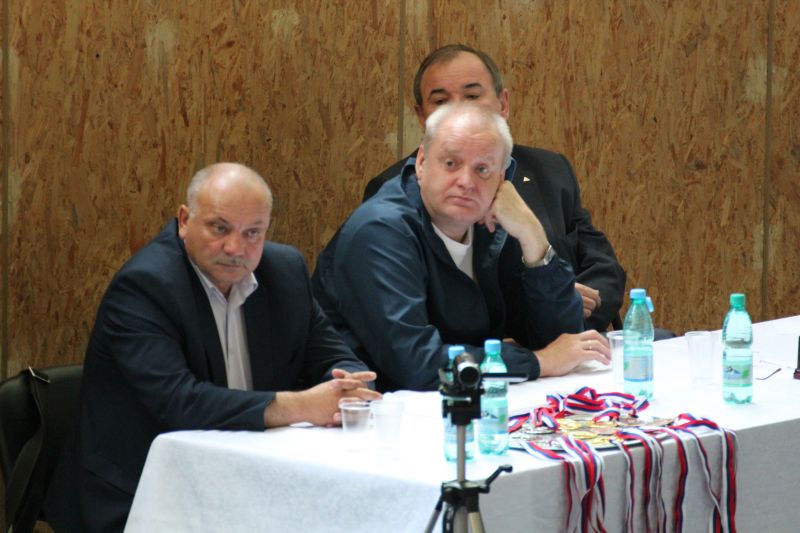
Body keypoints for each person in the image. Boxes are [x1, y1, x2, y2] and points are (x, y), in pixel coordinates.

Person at [45, 163, 380, 532]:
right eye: (220, 228)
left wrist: (348, 390)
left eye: (252, 233)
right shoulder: (145, 287)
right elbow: (181, 403)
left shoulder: (284, 273)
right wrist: (302, 405)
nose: (235, 248)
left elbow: (334, 354)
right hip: (144, 491)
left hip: (248, 478)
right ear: (184, 221)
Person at [313, 103, 611, 392]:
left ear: (501, 179)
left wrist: (533, 236)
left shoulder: (492, 224)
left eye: (482, 169)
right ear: (421, 162)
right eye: (451, 164)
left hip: (463, 402)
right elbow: (415, 363)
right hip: (373, 410)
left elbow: (563, 339)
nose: (466, 181)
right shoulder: (380, 230)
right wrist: (538, 362)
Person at [364, 44, 626, 333]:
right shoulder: (396, 191)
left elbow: (604, 266)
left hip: (569, 338)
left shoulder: (550, 170)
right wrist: (540, 328)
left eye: (472, 96)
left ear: (503, 104)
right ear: (422, 117)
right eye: (440, 101)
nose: (459, 109)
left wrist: (567, 308)